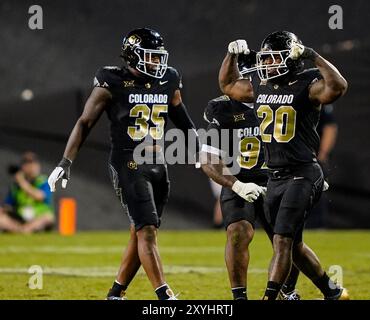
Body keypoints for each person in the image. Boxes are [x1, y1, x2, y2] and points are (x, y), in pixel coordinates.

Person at [47, 28, 198, 300]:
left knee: (139, 232)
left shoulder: (169, 78)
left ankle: (116, 293)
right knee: (147, 231)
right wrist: (65, 161)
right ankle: (166, 296)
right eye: (150, 56)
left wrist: (199, 147)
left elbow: (180, 115)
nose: (156, 62)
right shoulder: (112, 80)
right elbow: (85, 121)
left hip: (158, 162)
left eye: (158, 56)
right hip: (128, 161)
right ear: (132, 56)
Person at [219, 31, 349, 300]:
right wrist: (230, 55)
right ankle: (332, 292)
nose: (266, 65)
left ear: (292, 58)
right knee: (295, 246)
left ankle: (270, 297)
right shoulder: (260, 82)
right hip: (274, 176)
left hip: (302, 173)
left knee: (282, 241)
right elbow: (228, 84)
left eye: (273, 59)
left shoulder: (307, 82)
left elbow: (337, 87)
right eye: (264, 59)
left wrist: (313, 55)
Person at [200, 53, 301, 300]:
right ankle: (239, 298)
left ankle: (286, 291)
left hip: (278, 179)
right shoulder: (221, 108)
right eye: (247, 78)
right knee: (237, 233)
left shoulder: (281, 100)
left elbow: (300, 141)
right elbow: (208, 158)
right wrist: (236, 185)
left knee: (288, 242)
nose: (255, 82)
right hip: (240, 180)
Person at [0, 152, 54, 233]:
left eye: (34, 163)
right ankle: (21, 230)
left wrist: (22, 182)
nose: (32, 167)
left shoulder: (44, 181)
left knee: (48, 217)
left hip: (38, 217)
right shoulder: (16, 186)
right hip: (20, 218)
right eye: (28, 164)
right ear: (23, 167)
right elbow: (8, 205)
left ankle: (24, 230)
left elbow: (40, 196)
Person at [307, 104, 338, 228]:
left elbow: (330, 127)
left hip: (311, 155)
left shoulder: (316, 96)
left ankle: (316, 226)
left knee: (316, 192)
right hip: (288, 155)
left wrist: (322, 154)